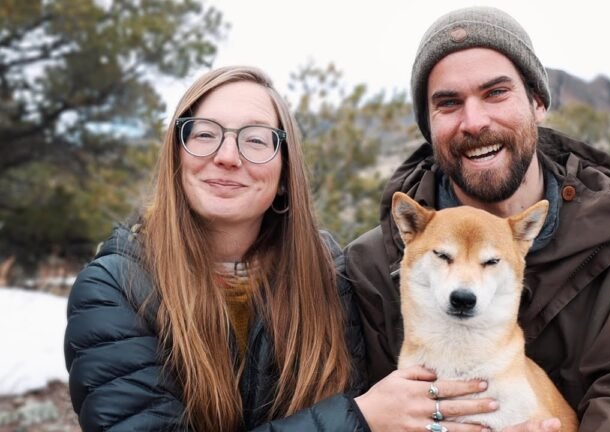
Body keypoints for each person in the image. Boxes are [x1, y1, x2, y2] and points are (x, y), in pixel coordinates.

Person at [64, 65, 496, 432]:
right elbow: (366, 412)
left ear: (285, 172)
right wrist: (356, 419)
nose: (227, 156)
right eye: (204, 134)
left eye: (255, 139)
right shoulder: (115, 288)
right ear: (176, 156)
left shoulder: (330, 274)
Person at [345, 7, 610, 432]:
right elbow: (326, 405)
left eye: (495, 93)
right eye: (448, 103)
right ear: (429, 125)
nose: (474, 121)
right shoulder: (366, 266)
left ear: (537, 102)